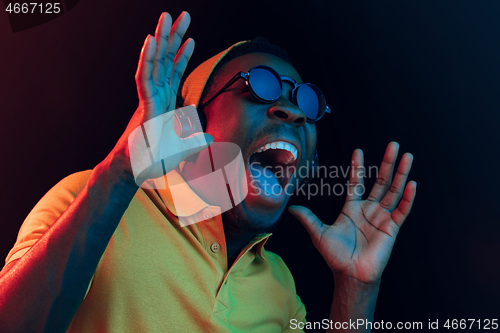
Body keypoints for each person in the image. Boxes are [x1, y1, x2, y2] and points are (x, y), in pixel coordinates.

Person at [0, 11, 416, 332]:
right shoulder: (91, 199)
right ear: (193, 125)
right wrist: (121, 172)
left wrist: (356, 288)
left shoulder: (281, 289)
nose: (292, 112)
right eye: (258, 86)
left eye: (306, 103)